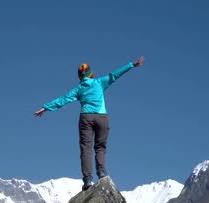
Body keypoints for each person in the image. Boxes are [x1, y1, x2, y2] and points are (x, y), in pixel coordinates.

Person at [34, 57, 144, 191]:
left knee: (86, 148)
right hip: (102, 117)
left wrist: (46, 107)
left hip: (86, 117)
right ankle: (102, 172)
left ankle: (87, 179)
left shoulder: (79, 89)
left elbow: (63, 99)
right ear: (91, 74)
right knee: (100, 147)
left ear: (80, 77)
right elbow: (115, 74)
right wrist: (132, 64)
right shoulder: (99, 82)